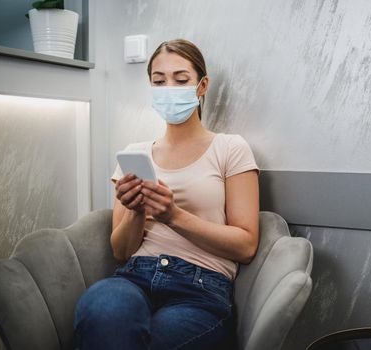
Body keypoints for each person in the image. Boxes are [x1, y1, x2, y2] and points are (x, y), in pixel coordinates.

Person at [73, 39, 260, 350]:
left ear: (202, 86)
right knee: (103, 312)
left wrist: (173, 216)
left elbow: (246, 246)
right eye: (159, 81)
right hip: (134, 278)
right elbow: (120, 251)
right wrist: (135, 211)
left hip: (200, 289)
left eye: (181, 79)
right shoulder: (134, 155)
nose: (169, 88)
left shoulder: (231, 148)